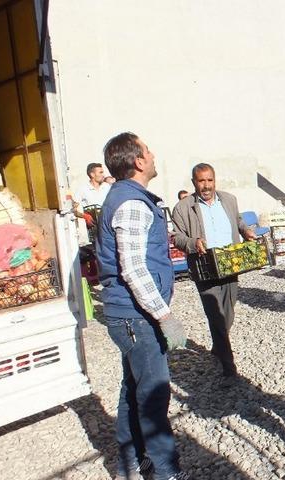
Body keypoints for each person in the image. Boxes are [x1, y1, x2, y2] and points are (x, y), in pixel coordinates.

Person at [96, 132, 188, 480]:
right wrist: (165, 317)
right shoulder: (132, 204)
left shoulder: (128, 197)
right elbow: (133, 268)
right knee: (153, 395)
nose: (153, 155)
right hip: (137, 316)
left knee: (132, 389)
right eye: (148, 150)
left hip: (130, 314)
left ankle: (130, 465)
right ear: (137, 161)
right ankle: (166, 472)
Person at [171, 163, 256, 386]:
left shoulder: (229, 199)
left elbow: (237, 221)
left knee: (228, 313)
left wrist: (245, 230)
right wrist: (193, 242)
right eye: (201, 181)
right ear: (194, 183)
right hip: (205, 267)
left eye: (209, 180)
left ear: (215, 180)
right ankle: (229, 368)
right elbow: (177, 237)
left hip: (230, 263)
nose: (206, 185)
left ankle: (218, 346)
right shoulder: (182, 208)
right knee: (216, 316)